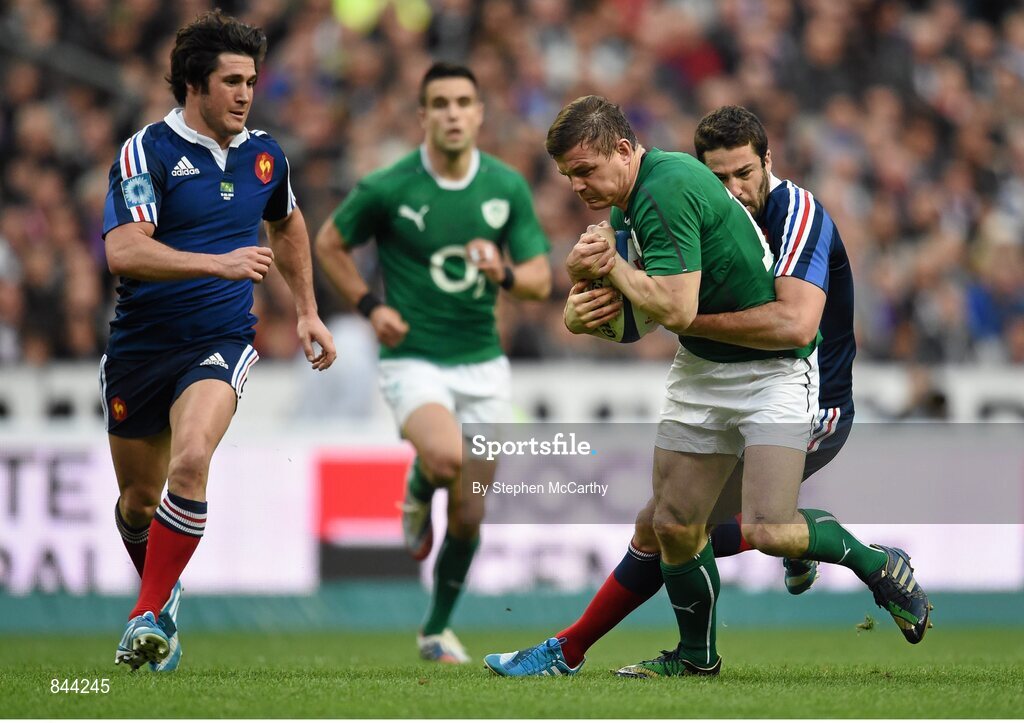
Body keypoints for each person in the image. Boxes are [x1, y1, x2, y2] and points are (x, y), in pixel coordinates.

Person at [484, 98, 930, 678]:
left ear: (768, 163)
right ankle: (604, 653)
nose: (731, 189)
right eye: (716, 178)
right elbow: (641, 313)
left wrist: (665, 308)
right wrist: (584, 310)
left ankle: (869, 563)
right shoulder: (651, 203)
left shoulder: (797, 211)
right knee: (670, 525)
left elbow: (790, 325)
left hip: (811, 390)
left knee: (747, 527)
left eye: (744, 173)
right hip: (707, 374)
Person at [102, 10, 336, 672]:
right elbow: (124, 250)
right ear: (193, 87)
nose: (245, 94)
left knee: (192, 459)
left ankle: (146, 616)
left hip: (220, 338)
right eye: (231, 81)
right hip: (141, 350)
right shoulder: (145, 152)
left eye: (252, 81)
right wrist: (220, 261)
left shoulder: (266, 156)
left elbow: (287, 225)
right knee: (139, 502)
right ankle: (162, 602)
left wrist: (308, 311)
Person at [315, 62, 551, 664]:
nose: (452, 113)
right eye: (440, 103)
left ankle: (436, 629)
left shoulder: (505, 187)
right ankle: (419, 486)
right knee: (446, 457)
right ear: (422, 116)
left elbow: (539, 281)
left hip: (483, 363)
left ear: (479, 114)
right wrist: (369, 306)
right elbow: (329, 243)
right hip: (412, 357)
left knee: (471, 509)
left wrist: (500, 270)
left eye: (463, 102)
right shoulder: (389, 186)